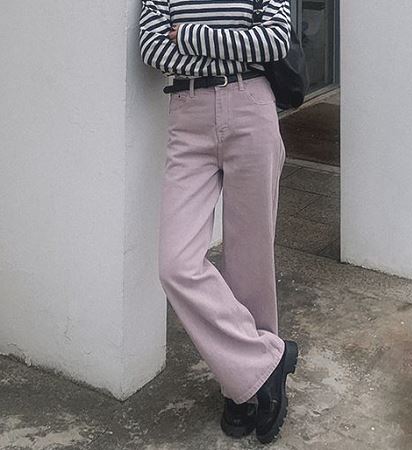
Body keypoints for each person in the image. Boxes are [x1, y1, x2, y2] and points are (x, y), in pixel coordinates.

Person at [139, 0, 299, 443]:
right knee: (176, 264)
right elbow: (152, 48)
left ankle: (241, 386)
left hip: (251, 107)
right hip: (187, 115)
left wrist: (189, 36)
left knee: (250, 258)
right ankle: (265, 364)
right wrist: (233, 45)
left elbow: (273, 41)